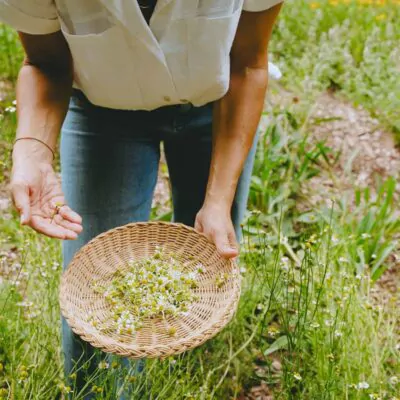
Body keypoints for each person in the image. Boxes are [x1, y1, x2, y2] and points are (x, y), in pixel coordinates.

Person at [1, 0, 283, 396]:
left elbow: (247, 62)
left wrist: (218, 201)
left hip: (218, 102)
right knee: (96, 297)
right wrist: (32, 149)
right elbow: (46, 62)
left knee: (208, 269)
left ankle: (189, 378)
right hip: (103, 113)